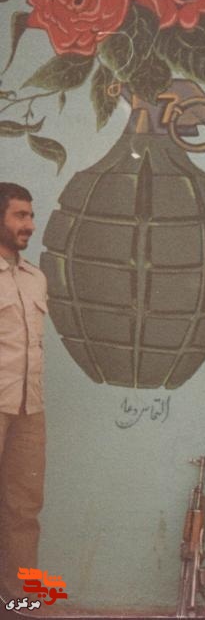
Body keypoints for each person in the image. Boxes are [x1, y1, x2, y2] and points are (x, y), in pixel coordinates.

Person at [0, 183, 47, 599]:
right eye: (19, 215)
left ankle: (20, 599)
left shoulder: (36, 279)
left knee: (25, 507)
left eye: (30, 215)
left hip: (29, 409)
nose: (29, 224)